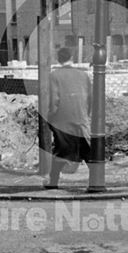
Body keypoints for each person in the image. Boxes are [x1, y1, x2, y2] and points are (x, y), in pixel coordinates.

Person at [45, 47, 92, 189]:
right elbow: (90, 98)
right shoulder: (83, 75)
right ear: (71, 57)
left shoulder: (54, 76)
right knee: (87, 150)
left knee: (61, 151)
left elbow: (54, 100)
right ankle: (95, 180)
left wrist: (50, 117)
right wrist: (85, 115)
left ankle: (53, 182)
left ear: (58, 59)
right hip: (81, 118)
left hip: (62, 119)